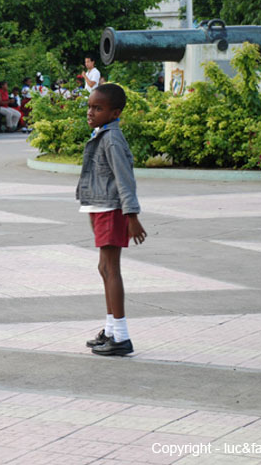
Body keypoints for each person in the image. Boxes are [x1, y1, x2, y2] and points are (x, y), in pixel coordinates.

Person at [76, 83, 147, 356]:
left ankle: (122, 336)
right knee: (104, 268)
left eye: (98, 108)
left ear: (115, 112)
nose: (90, 112)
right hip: (98, 206)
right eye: (90, 107)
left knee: (111, 269)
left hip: (111, 209)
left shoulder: (113, 139)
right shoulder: (102, 134)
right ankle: (111, 329)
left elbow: (124, 178)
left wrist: (132, 215)